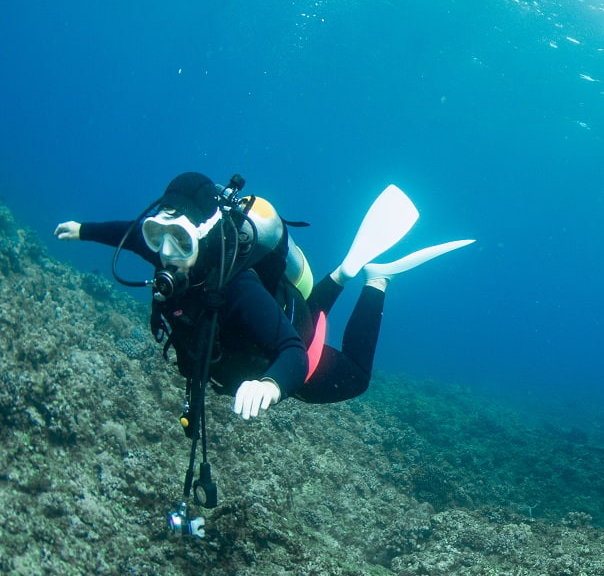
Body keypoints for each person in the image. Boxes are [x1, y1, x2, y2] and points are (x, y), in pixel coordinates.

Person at [55, 172, 472, 422]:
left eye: (178, 239)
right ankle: (342, 273)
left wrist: (272, 385)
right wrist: (84, 229)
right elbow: (127, 235)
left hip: (286, 344)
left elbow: (291, 350)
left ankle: (375, 282)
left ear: (200, 233)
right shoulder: (172, 251)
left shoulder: (236, 286)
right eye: (158, 234)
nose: (164, 252)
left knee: (354, 377)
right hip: (275, 316)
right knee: (300, 310)